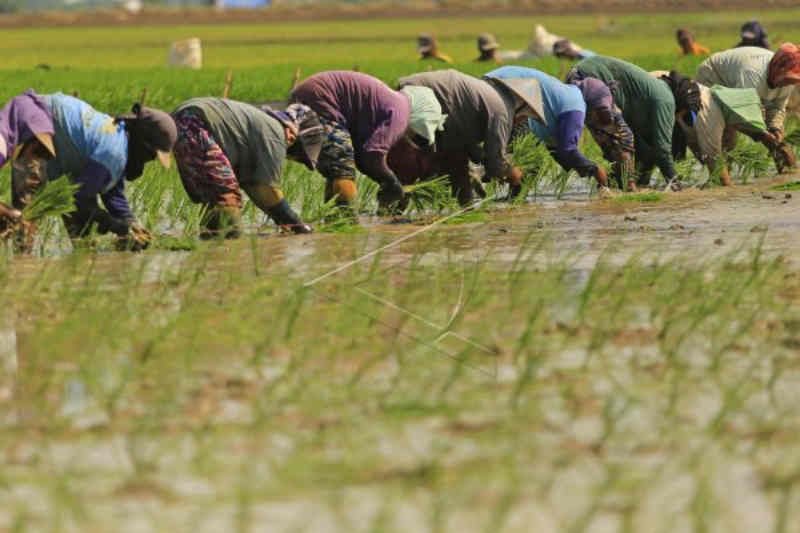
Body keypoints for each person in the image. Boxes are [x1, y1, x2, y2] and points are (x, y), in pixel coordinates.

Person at [2, 90, 175, 251]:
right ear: (142, 143)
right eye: (151, 154)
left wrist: (132, 225)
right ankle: (21, 269)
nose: (150, 160)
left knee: (83, 240)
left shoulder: (118, 143)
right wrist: (115, 226)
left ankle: (77, 266)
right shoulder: (114, 151)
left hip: (42, 121)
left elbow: (113, 195)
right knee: (26, 217)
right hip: (37, 128)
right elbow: (81, 201)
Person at [291, 70, 446, 212]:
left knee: (336, 168)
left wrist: (384, 179)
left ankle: (332, 219)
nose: (413, 139)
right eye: (418, 136)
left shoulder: (392, 103)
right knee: (343, 169)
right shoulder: (400, 114)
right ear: (420, 119)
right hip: (322, 98)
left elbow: (362, 157)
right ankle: (345, 220)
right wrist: (391, 182)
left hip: (313, 93)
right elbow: (373, 154)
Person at [172, 98, 324, 239]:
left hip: (185, 119)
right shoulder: (275, 134)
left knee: (215, 194)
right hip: (195, 122)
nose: (288, 156)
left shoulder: (261, 126)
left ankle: (210, 250)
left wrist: (284, 222)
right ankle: (223, 253)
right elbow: (265, 188)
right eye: (294, 153)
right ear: (292, 134)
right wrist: (297, 225)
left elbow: (252, 185)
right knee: (225, 199)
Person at [389, 69, 538, 204]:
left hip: (440, 105)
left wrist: (482, 160)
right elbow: (496, 163)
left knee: (458, 166)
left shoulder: (492, 99)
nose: (522, 121)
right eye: (525, 117)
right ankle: (391, 211)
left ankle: (465, 209)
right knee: (411, 164)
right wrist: (511, 173)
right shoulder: (501, 112)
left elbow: (469, 143)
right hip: (422, 99)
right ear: (521, 107)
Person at [483, 66, 609, 189]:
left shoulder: (560, 98)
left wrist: (580, 166)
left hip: (490, 82)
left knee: (530, 160)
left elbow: (558, 151)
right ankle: (493, 176)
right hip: (506, 86)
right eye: (598, 113)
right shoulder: (576, 104)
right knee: (527, 160)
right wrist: (595, 170)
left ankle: (512, 198)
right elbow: (568, 150)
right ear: (592, 104)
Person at [567, 55, 677, 190]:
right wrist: (675, 183)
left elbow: (645, 151)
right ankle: (629, 189)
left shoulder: (644, 94)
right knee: (623, 138)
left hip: (575, 79)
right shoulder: (666, 100)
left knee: (612, 144)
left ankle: (611, 186)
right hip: (591, 83)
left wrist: (642, 180)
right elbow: (662, 150)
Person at [653, 71, 773, 186]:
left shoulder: (724, 105)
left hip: (669, 97)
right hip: (656, 90)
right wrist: (729, 190)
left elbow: (716, 150)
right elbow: (714, 161)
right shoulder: (711, 112)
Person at [696, 43, 800, 172]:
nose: (789, 83)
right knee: (723, 133)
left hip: (740, 83)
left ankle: (724, 174)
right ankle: (718, 176)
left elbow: (777, 107)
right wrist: (766, 138)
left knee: (733, 143)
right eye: (788, 79)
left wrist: (775, 129)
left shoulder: (787, 81)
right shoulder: (753, 74)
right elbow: (742, 112)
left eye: (793, 80)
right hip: (714, 76)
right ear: (778, 68)